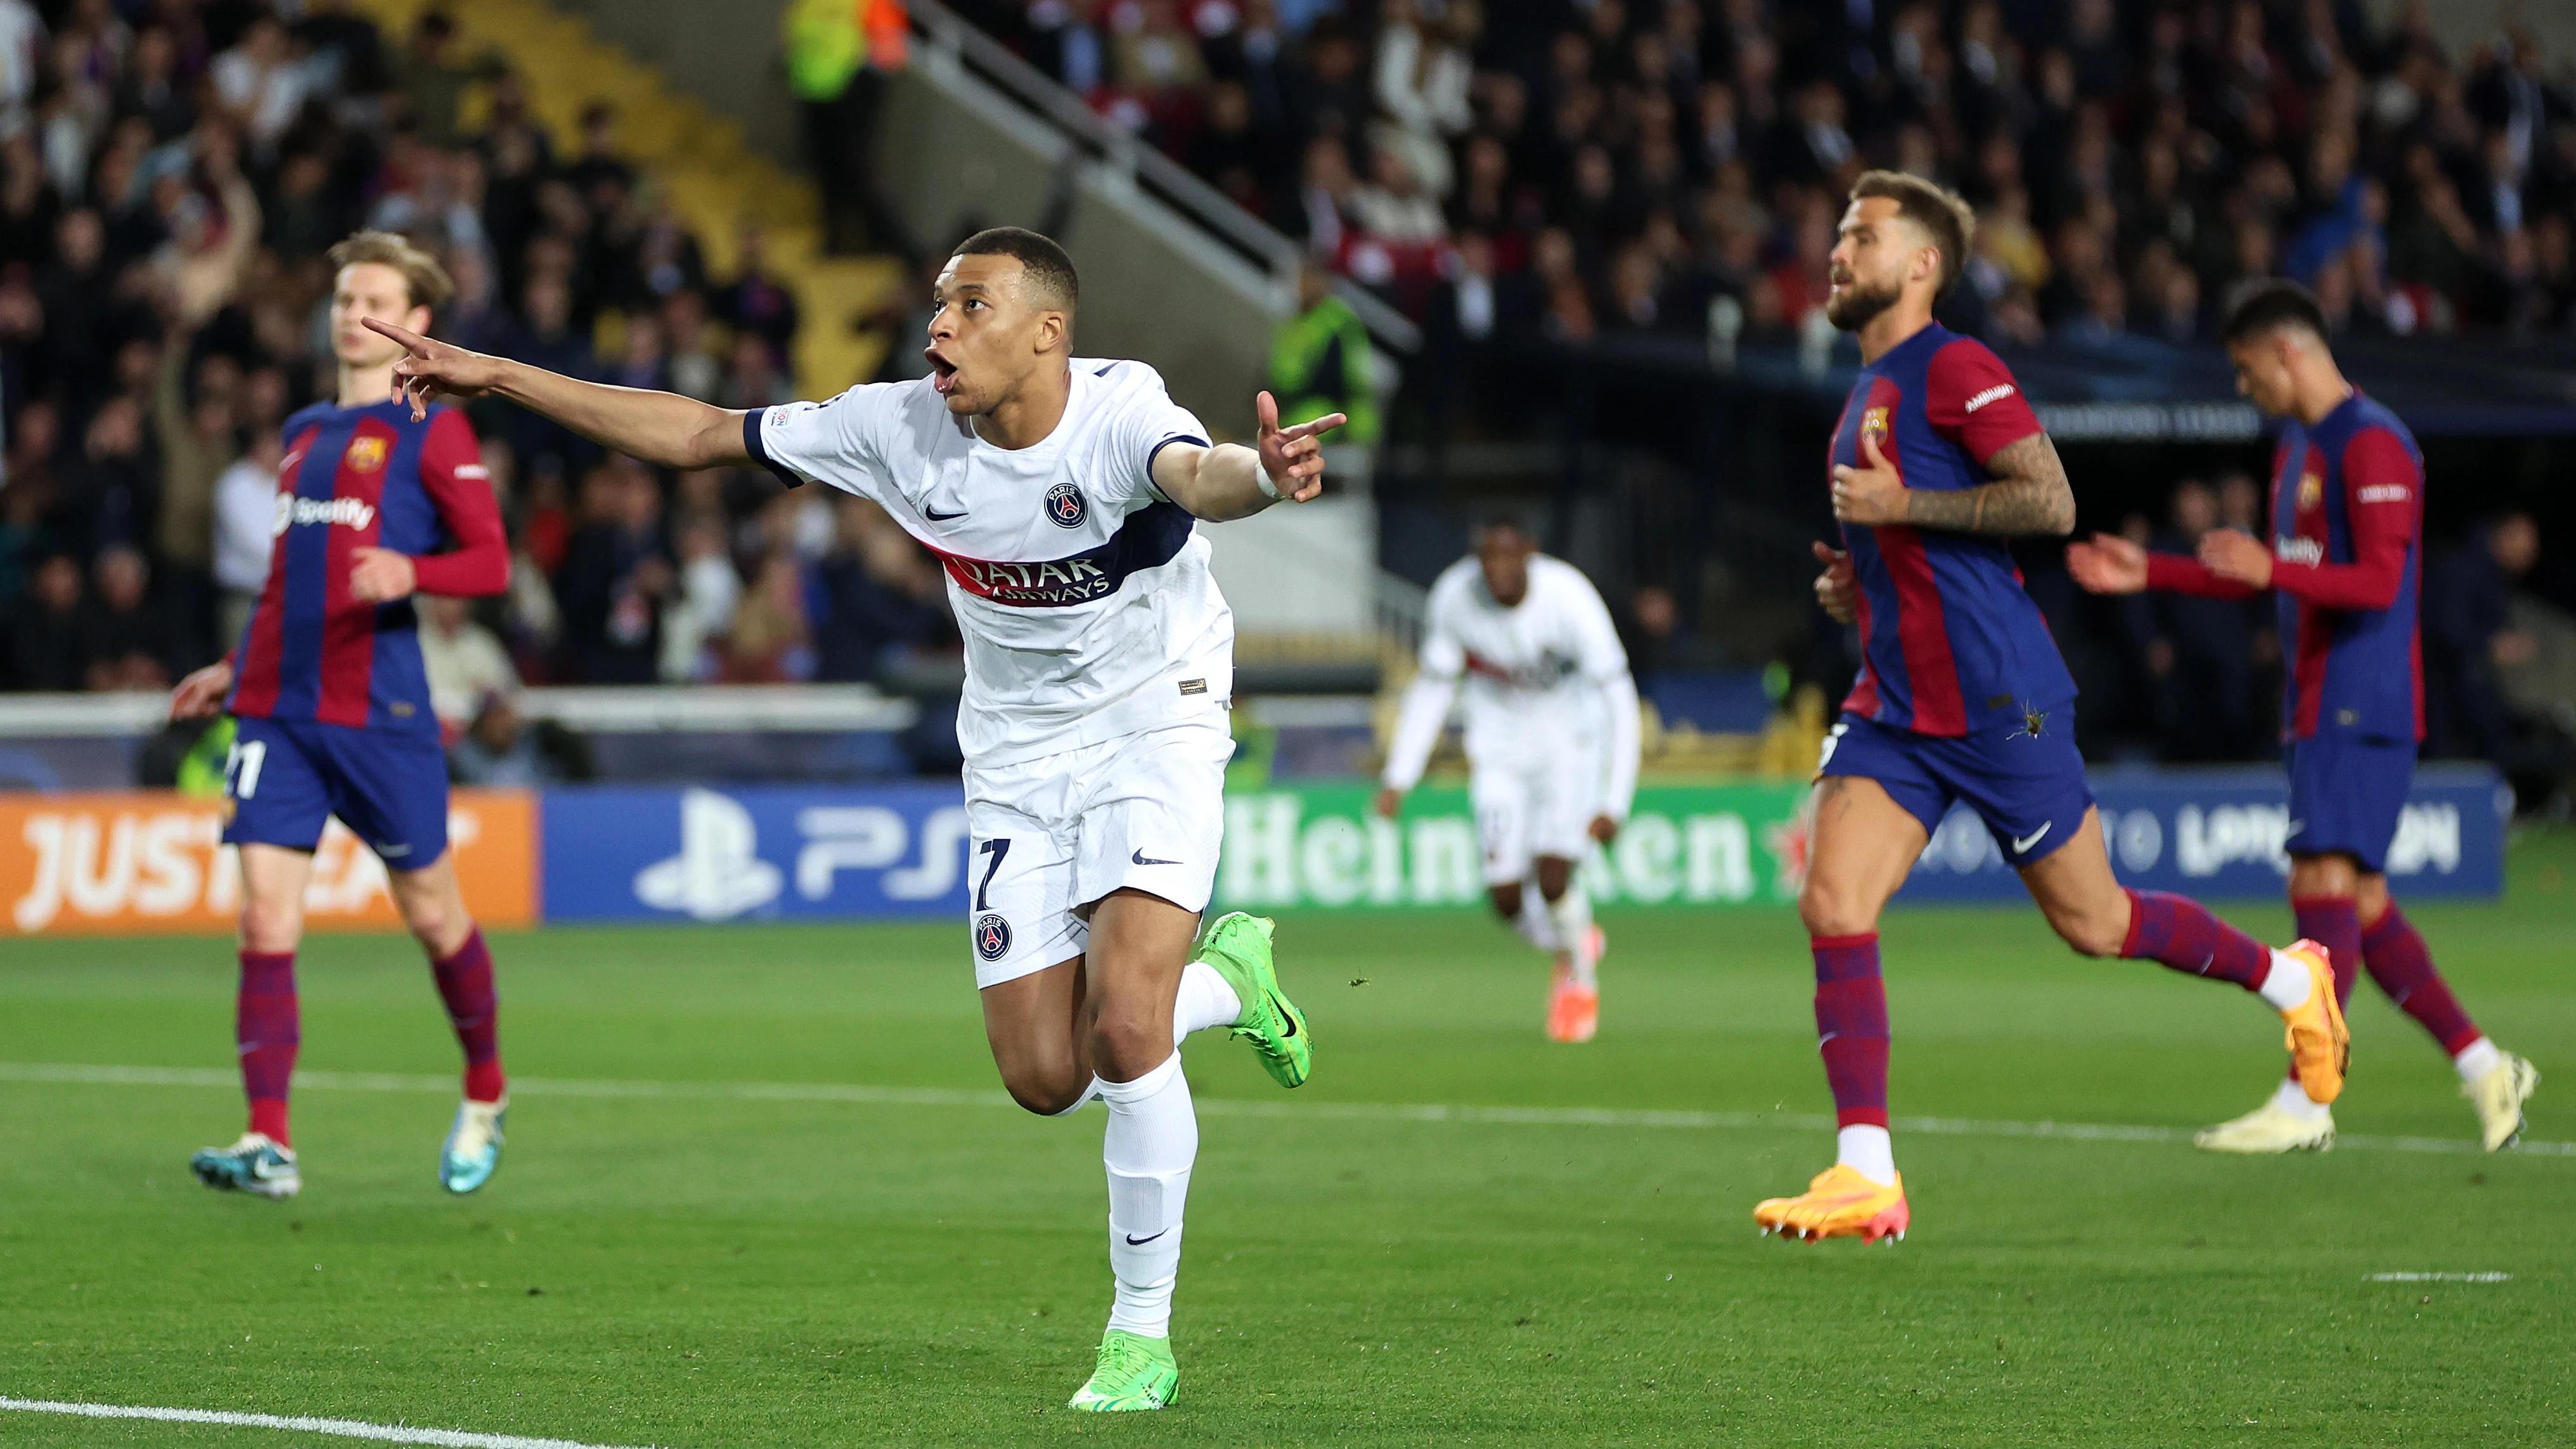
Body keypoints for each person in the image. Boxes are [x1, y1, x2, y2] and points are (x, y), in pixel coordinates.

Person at [364, 226, 1337, 1412]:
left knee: (1126, 1028)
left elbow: (1202, 476)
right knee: (1042, 1073)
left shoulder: (1121, 411)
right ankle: (1231, 981)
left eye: (968, 305)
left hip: (1156, 717)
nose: (938, 324)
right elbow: (696, 433)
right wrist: (498, 375)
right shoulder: (895, 427)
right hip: (1018, 752)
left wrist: (1262, 472)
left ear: (1047, 331)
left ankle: (1139, 1335)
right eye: (936, 303)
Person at [1760, 174, 2347, 1244]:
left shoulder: (1954, 365)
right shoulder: (1861, 390)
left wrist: (1900, 507)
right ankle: (1865, 1173)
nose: (1837, 250)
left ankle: (2288, 977)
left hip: (2003, 704)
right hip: (1895, 703)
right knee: (1831, 902)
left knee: (2095, 922)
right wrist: (1862, 578)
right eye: (1838, 232)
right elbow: (1912, 547)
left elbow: (2049, 498)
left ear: (1922, 265)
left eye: (1862, 235)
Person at [2067, 280, 2537, 1154]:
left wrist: (2272, 571)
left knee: (2321, 885)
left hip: (2363, 699)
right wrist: (2154, 572)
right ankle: (2484, 1067)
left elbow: (2383, 584)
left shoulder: (2374, 443)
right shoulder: (2301, 448)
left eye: (2248, 372)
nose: (2246, 390)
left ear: (2289, 352)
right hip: (2320, 699)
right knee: (2356, 900)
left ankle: (2305, 1099)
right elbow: (2266, 569)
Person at [166, 232, 515, 1202]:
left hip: (378, 711)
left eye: (371, 296)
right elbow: (293, 579)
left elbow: (491, 563)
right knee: (264, 915)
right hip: (276, 709)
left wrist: (415, 568)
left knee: (432, 913)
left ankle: (486, 1086)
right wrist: (233, 667)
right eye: (341, 294)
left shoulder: (433, 428)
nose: (348, 310)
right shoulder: (303, 431)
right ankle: (268, 1140)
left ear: (414, 324)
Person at [1374, 515, 1639, 1042]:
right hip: (1497, 754)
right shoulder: (1455, 597)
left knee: (1554, 876)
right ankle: (1574, 943)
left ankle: (1580, 981)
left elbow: (1618, 698)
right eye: (1486, 557)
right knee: (1505, 900)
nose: (1495, 569)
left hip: (1570, 746)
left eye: (1506, 556)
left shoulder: (1570, 598)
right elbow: (1433, 689)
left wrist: (1616, 800)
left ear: (1530, 555)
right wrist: (1399, 774)